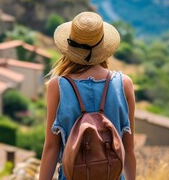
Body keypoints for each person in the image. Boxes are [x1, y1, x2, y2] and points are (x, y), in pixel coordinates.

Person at [39, 12, 136, 180]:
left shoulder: (58, 86)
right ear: (103, 47)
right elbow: (128, 149)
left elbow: (51, 148)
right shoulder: (124, 84)